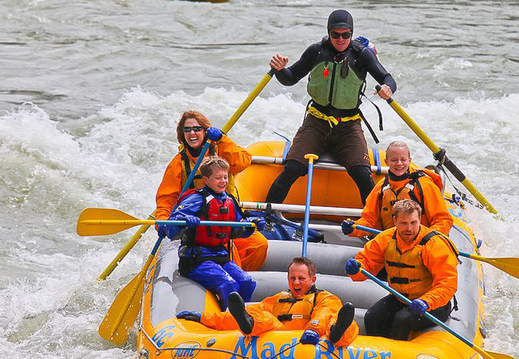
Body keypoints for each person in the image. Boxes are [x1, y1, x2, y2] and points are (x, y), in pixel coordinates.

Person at [265, 9, 398, 206]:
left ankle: (376, 218)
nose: (341, 39)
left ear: (351, 33)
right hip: (316, 122)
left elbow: (388, 78)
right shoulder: (316, 51)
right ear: (329, 33)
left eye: (346, 34)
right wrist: (279, 70)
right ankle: (267, 215)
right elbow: (290, 78)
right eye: (335, 34)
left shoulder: (362, 55)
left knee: (362, 173)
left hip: (348, 126)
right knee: (293, 168)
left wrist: (387, 88)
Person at [155, 110, 268, 271]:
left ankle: (241, 275)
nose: (192, 133)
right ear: (182, 134)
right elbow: (166, 199)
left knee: (259, 244)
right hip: (200, 225)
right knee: (229, 251)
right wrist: (163, 223)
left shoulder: (220, 150)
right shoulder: (178, 164)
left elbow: (243, 161)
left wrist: (222, 139)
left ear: (205, 131)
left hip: (228, 218)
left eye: (197, 129)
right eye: (187, 130)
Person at [177, 257, 359, 347]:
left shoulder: (324, 297)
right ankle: (248, 325)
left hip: (313, 338)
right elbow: (249, 312)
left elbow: (323, 313)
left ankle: (337, 333)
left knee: (344, 322)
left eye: (301, 278)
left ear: (313, 280)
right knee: (258, 314)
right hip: (280, 341)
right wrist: (203, 318)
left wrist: (313, 330)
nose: (296, 283)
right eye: (292, 278)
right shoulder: (278, 298)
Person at [158, 156, 263, 310]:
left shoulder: (229, 200)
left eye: (225, 177)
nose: (223, 181)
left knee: (247, 282)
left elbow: (235, 231)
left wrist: (249, 226)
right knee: (229, 284)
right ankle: (227, 317)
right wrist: (184, 222)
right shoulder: (195, 199)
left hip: (220, 256)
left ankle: (241, 316)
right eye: (218, 178)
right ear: (206, 180)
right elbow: (169, 229)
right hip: (195, 259)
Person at [344, 199, 458, 341]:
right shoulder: (385, 238)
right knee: (372, 317)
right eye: (404, 223)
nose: (409, 228)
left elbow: (448, 283)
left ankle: (395, 353)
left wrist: (426, 301)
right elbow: (366, 262)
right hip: (400, 299)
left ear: (420, 220)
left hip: (432, 305)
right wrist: (355, 269)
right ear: (395, 221)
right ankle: (377, 350)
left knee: (402, 320)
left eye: (413, 223)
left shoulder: (434, 244)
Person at [341, 141, 452, 238]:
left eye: (403, 160)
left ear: (409, 161)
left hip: (420, 244)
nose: (399, 164)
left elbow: (442, 219)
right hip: (391, 245)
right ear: (386, 162)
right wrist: (354, 228)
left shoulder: (424, 185)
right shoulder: (381, 187)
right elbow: (370, 221)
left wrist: (429, 240)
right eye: (394, 160)